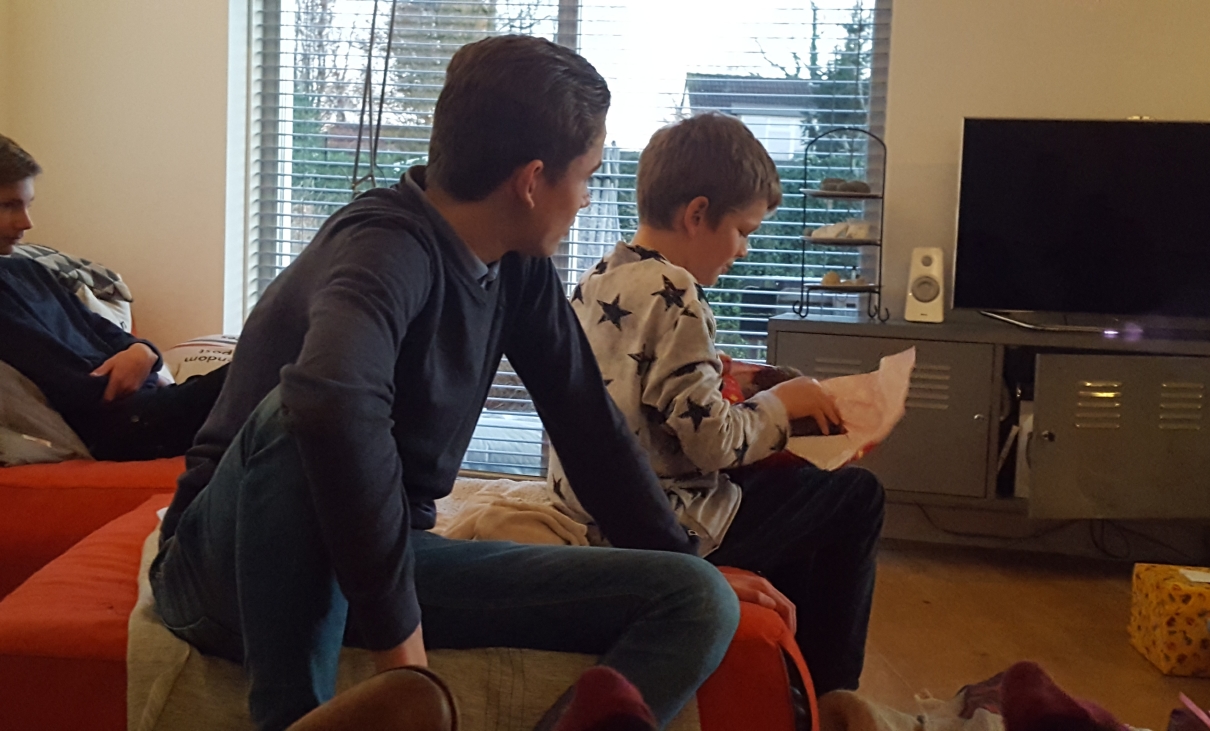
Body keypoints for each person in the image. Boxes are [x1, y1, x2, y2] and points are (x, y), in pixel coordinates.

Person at [150, 36, 788, 731]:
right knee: (302, 409)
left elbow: (589, 427)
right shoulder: (382, 247)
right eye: (587, 176)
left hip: (385, 553)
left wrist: (687, 561)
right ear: (532, 180)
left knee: (696, 599)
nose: (586, 200)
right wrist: (404, 656)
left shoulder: (516, 266)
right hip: (225, 568)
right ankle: (291, 717)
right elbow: (330, 404)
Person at [548, 113, 887, 697]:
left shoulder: (600, 279)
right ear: (697, 214)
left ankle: (779, 670)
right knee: (855, 497)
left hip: (591, 512)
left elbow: (645, 391)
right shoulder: (678, 292)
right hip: (669, 526)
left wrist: (725, 376)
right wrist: (780, 404)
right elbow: (714, 444)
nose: (743, 250)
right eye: (742, 231)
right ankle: (833, 695)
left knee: (795, 492)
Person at [0, 135, 228, 461]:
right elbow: (81, 388)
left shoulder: (29, 270)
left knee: (275, 366)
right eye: (8, 206)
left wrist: (142, 353)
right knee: (273, 365)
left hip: (152, 405)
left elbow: (114, 336)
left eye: (28, 205)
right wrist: (140, 364)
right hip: (126, 428)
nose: (26, 222)